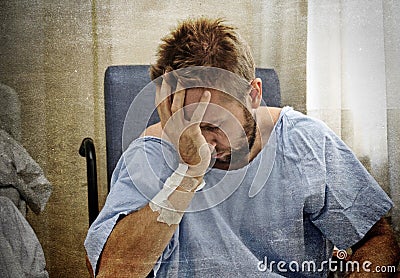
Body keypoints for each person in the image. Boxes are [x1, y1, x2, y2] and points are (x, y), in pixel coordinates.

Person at [85, 18, 399, 277]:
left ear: (253, 95)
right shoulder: (150, 155)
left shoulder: (304, 141)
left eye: (214, 125)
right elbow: (111, 272)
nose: (203, 142)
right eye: (187, 123)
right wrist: (187, 174)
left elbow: (376, 239)